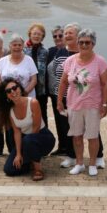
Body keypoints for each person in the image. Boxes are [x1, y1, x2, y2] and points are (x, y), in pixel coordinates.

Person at [52, 22, 106, 169]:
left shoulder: (98, 60)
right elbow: (61, 80)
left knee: (92, 134)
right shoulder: (65, 56)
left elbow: (105, 83)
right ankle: (76, 160)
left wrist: (105, 103)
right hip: (70, 101)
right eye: (81, 42)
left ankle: (95, 160)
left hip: (91, 102)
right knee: (73, 133)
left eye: (87, 42)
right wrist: (58, 100)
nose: (84, 45)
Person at [0, 78, 55, 181]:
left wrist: (26, 152)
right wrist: (18, 154)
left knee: (28, 140)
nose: (13, 92)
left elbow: (35, 128)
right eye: (8, 91)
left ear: (20, 88)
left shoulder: (33, 102)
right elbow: (17, 132)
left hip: (42, 137)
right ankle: (28, 163)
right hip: (26, 140)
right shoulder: (10, 111)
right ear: (6, 96)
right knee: (9, 170)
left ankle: (38, 169)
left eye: (14, 88)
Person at [0, 33, 37, 97]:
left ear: (23, 46)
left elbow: (34, 80)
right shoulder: (2, 61)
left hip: (26, 96)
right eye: (14, 45)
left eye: (19, 45)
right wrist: (6, 92)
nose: (17, 47)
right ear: (10, 46)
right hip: (7, 96)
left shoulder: (29, 60)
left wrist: (24, 92)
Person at [24, 22, 49, 126]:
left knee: (42, 116)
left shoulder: (45, 51)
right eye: (34, 33)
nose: (36, 36)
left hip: (41, 90)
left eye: (39, 34)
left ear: (42, 37)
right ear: (30, 34)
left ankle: (43, 139)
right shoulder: (23, 50)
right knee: (28, 116)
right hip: (27, 89)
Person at [47, 25, 66, 156]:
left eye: (61, 35)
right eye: (55, 36)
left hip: (68, 93)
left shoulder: (70, 50)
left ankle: (71, 149)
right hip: (54, 92)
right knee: (59, 121)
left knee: (69, 121)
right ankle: (62, 147)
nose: (58, 38)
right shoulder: (50, 51)